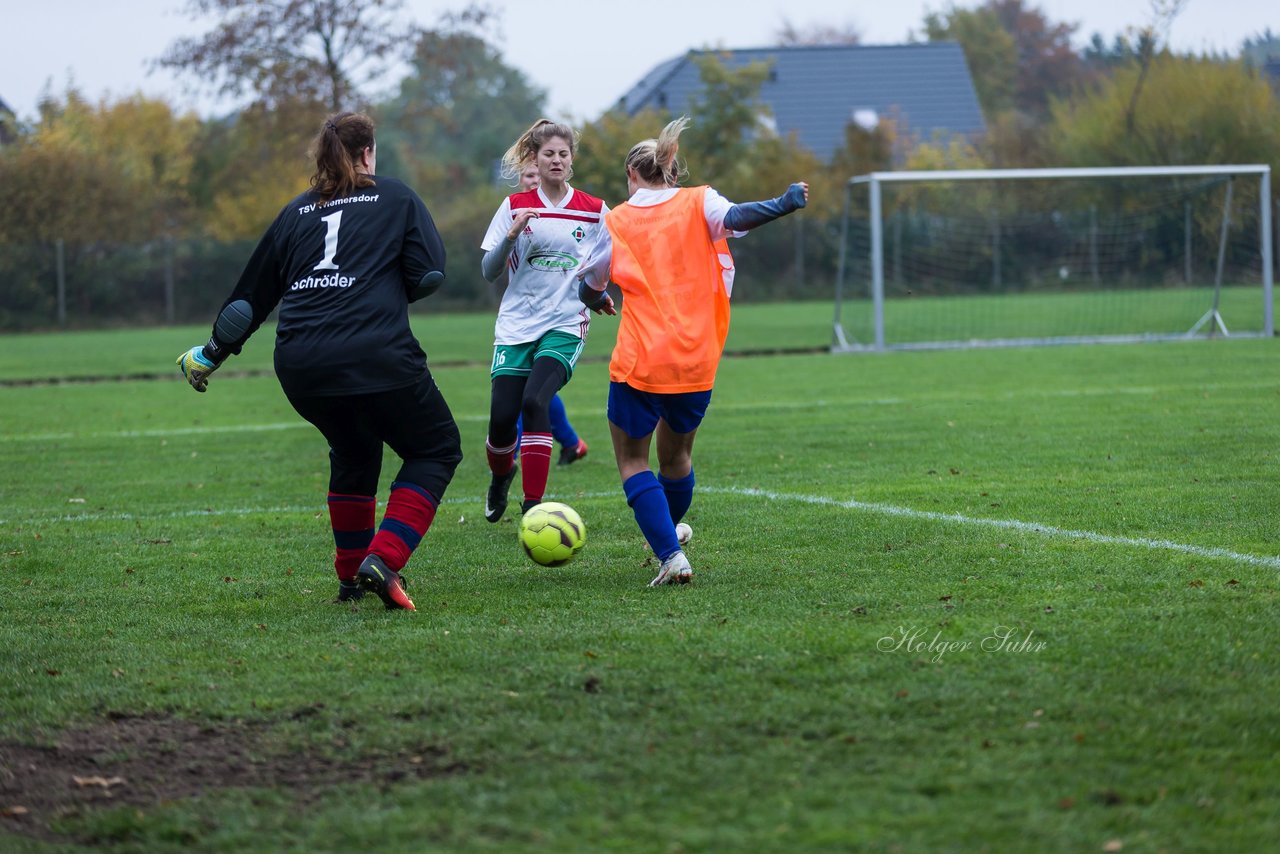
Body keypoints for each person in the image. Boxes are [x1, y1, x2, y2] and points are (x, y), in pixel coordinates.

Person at [176, 111, 462, 612]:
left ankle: (351, 579)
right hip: (377, 354)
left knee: (353, 454)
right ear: (369, 152)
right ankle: (384, 559)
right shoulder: (396, 196)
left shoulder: (294, 213)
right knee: (435, 448)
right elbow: (431, 272)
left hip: (302, 363)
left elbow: (249, 301)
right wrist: (383, 289)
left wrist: (211, 355)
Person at [576, 116, 808, 586]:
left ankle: (669, 553)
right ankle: (668, 536)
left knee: (633, 461)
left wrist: (598, 298)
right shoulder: (700, 200)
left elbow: (590, 284)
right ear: (673, 172)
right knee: (677, 457)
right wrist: (784, 203)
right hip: (698, 358)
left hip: (641, 359)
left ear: (631, 175)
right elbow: (739, 217)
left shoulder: (617, 219)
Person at [479, 119, 607, 523]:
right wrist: (511, 237)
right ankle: (501, 477)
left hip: (566, 323)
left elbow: (603, 266)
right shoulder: (515, 207)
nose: (556, 160)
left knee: (536, 401)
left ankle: (533, 507)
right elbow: (488, 270)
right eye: (548, 153)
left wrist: (599, 295)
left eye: (563, 154)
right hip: (517, 325)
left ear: (571, 161)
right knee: (501, 421)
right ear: (535, 158)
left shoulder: (594, 210)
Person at [509, 164, 590, 468]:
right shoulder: (513, 215)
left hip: (559, 316)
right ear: (521, 182)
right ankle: (571, 442)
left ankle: (514, 453)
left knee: (528, 387)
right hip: (523, 316)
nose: (534, 181)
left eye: (536, 175)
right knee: (532, 386)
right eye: (528, 176)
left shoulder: (567, 216)